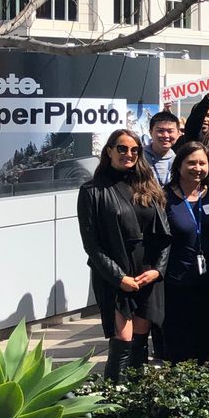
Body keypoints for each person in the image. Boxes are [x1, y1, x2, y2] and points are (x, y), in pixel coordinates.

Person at [78, 129, 171, 381]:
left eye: (134, 150)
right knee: (123, 340)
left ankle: (135, 400)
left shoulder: (148, 186)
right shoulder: (92, 191)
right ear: (109, 151)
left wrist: (157, 270)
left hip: (147, 274)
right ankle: (112, 406)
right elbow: (92, 245)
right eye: (121, 148)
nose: (128, 154)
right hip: (115, 275)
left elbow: (164, 236)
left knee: (140, 341)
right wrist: (119, 278)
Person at [162, 140, 209, 362]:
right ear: (179, 165)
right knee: (180, 344)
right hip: (178, 283)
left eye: (202, 163)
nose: (198, 168)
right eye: (191, 163)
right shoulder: (163, 198)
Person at [145, 111, 180, 185]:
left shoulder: (179, 160)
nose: (165, 135)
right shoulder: (139, 157)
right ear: (150, 132)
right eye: (160, 131)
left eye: (170, 131)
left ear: (178, 133)